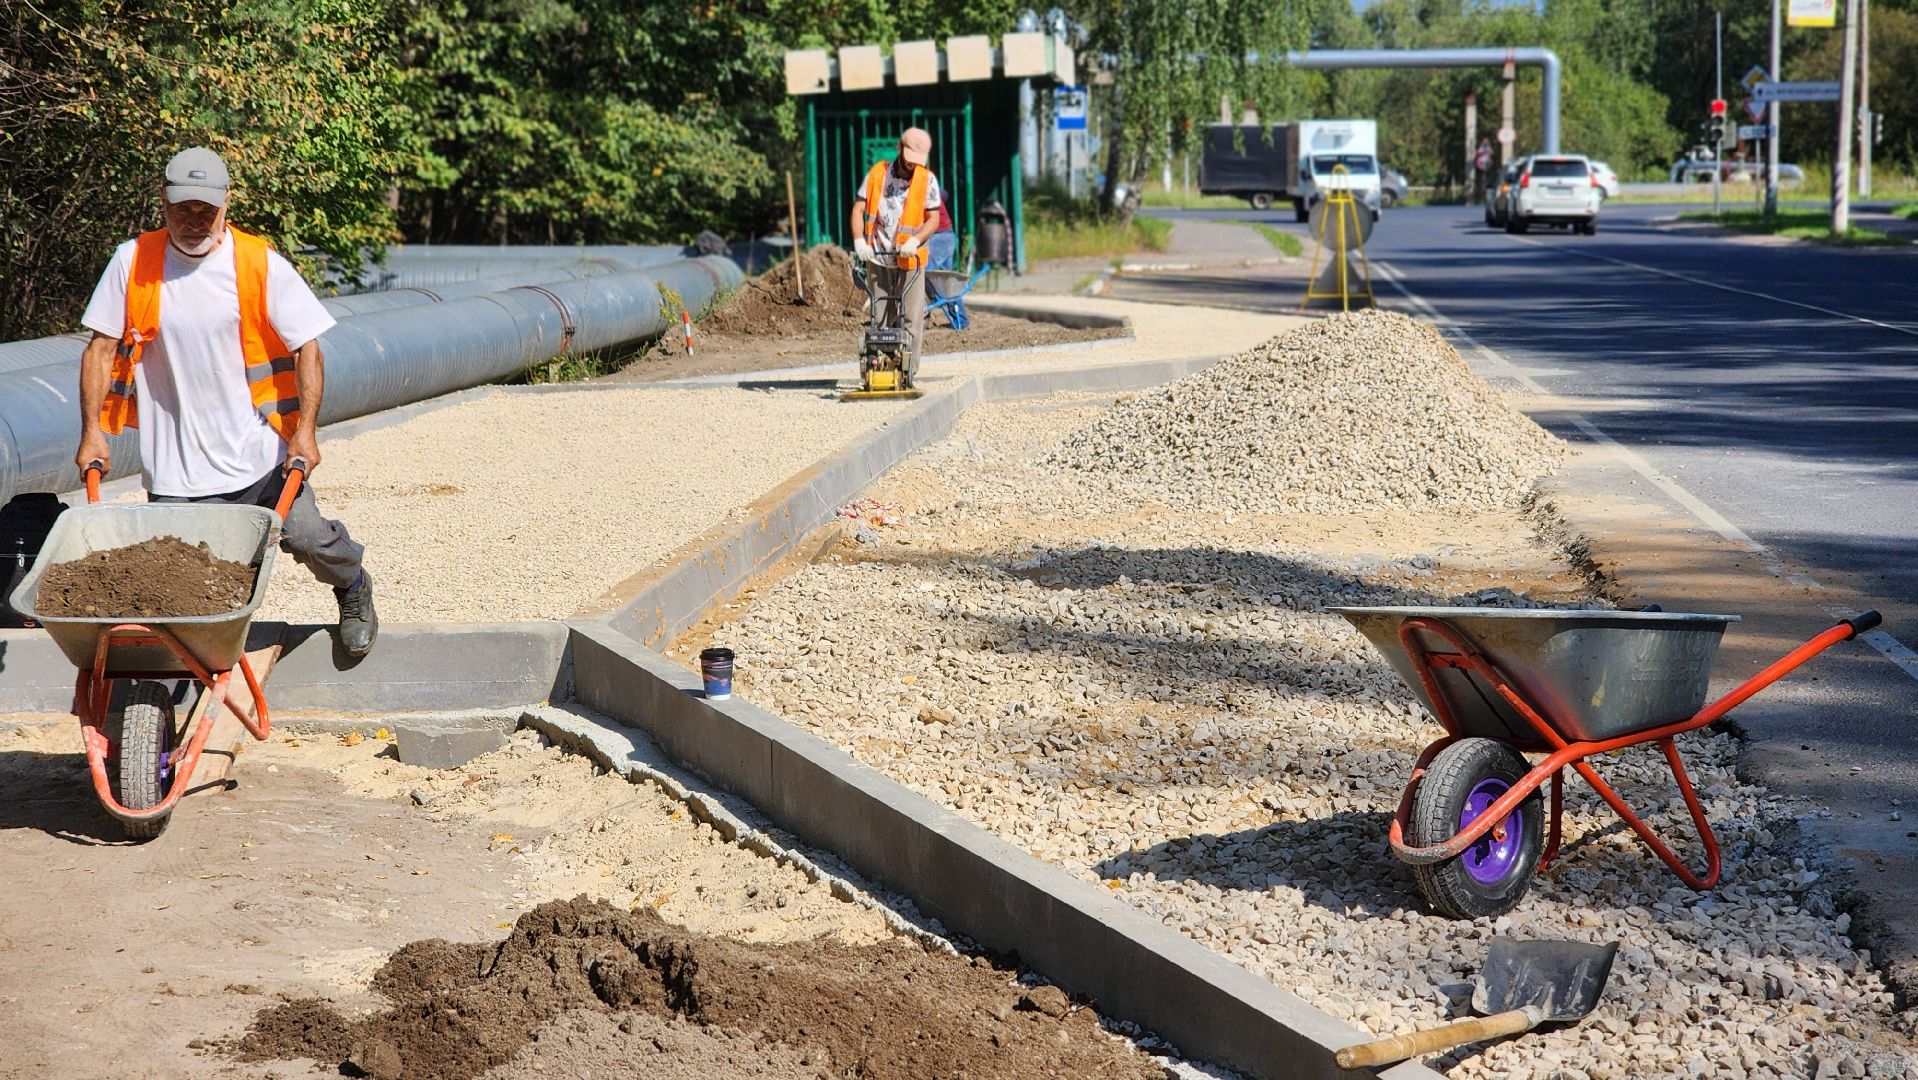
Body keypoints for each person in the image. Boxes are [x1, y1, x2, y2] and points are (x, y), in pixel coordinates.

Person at [75, 147, 378, 657]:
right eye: (183, 209)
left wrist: (305, 430)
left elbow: (309, 347)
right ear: (164, 204)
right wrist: (91, 431)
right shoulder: (134, 262)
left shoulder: (258, 263)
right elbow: (100, 349)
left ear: (226, 204)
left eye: (206, 211)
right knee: (177, 584)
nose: (194, 222)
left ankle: (354, 586)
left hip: (257, 455)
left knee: (307, 538)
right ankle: (181, 678)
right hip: (175, 471)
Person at [848, 128, 942, 380]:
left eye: (917, 162)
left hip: (911, 259)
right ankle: (878, 369)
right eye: (909, 159)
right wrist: (859, 241)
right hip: (878, 257)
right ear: (900, 150)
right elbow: (858, 210)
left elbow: (933, 219)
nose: (912, 166)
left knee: (911, 318)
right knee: (879, 317)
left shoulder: (927, 180)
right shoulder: (877, 174)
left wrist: (916, 239)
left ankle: (907, 372)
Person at [927, 177, 958, 272]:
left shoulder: (923, 194)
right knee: (944, 277)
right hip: (947, 235)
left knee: (928, 273)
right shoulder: (932, 192)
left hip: (939, 236)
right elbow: (944, 194)